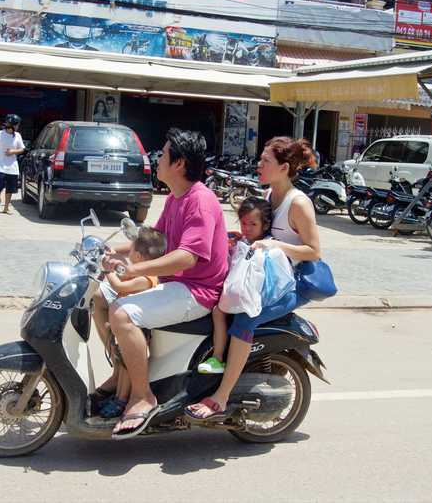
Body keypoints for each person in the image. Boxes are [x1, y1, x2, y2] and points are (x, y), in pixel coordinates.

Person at [102, 128, 229, 438]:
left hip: (197, 291)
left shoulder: (199, 201)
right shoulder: (177, 196)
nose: (156, 159)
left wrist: (133, 270)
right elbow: (155, 240)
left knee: (121, 313)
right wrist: (108, 249)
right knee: (103, 295)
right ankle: (121, 373)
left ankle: (142, 395)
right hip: (177, 283)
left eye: (164, 153)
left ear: (180, 164)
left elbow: (188, 257)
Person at [185, 136, 321, 421]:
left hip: (289, 284)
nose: (258, 165)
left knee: (245, 316)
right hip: (264, 278)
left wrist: (275, 245)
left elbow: (313, 251)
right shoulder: (270, 197)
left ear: (284, 168)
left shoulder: (298, 203)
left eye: (265, 161)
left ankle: (220, 398)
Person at [91, 226, 167, 418]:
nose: (129, 252)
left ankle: (121, 398)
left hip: (136, 326)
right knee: (122, 359)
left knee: (127, 363)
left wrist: (107, 270)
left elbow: (119, 285)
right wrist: (112, 260)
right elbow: (121, 272)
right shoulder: (138, 271)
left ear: (140, 257)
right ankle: (118, 394)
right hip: (123, 322)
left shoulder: (146, 278)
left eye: (131, 251)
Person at [197, 197, 272, 374]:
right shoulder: (243, 241)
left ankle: (218, 357)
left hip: (250, 296)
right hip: (236, 291)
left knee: (218, 311)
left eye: (252, 224)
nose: (246, 229)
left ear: (265, 225)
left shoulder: (266, 245)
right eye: (244, 223)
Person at [0, 114, 25, 215]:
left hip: (12, 167)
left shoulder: (18, 135)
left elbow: (22, 149)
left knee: (10, 188)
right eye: (17, 125)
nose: (18, 127)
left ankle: (6, 207)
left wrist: (13, 151)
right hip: (0, 166)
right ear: (12, 125)